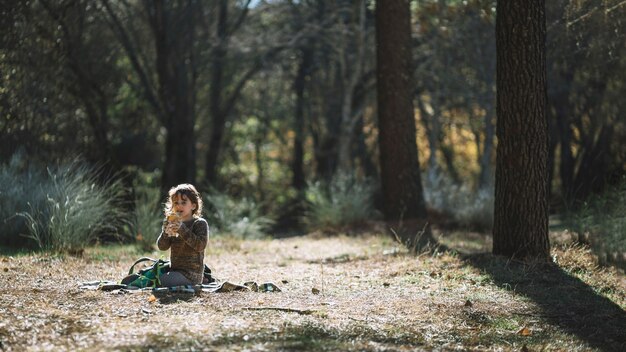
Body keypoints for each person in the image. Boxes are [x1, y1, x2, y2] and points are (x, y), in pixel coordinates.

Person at [156, 183, 209, 287]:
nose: (179, 206)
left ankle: (201, 280)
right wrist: (166, 233)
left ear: (193, 205)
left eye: (183, 202)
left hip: (191, 274)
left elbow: (200, 245)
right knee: (155, 274)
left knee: (162, 280)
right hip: (175, 270)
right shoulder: (171, 222)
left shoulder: (199, 223)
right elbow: (162, 247)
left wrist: (182, 229)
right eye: (176, 203)